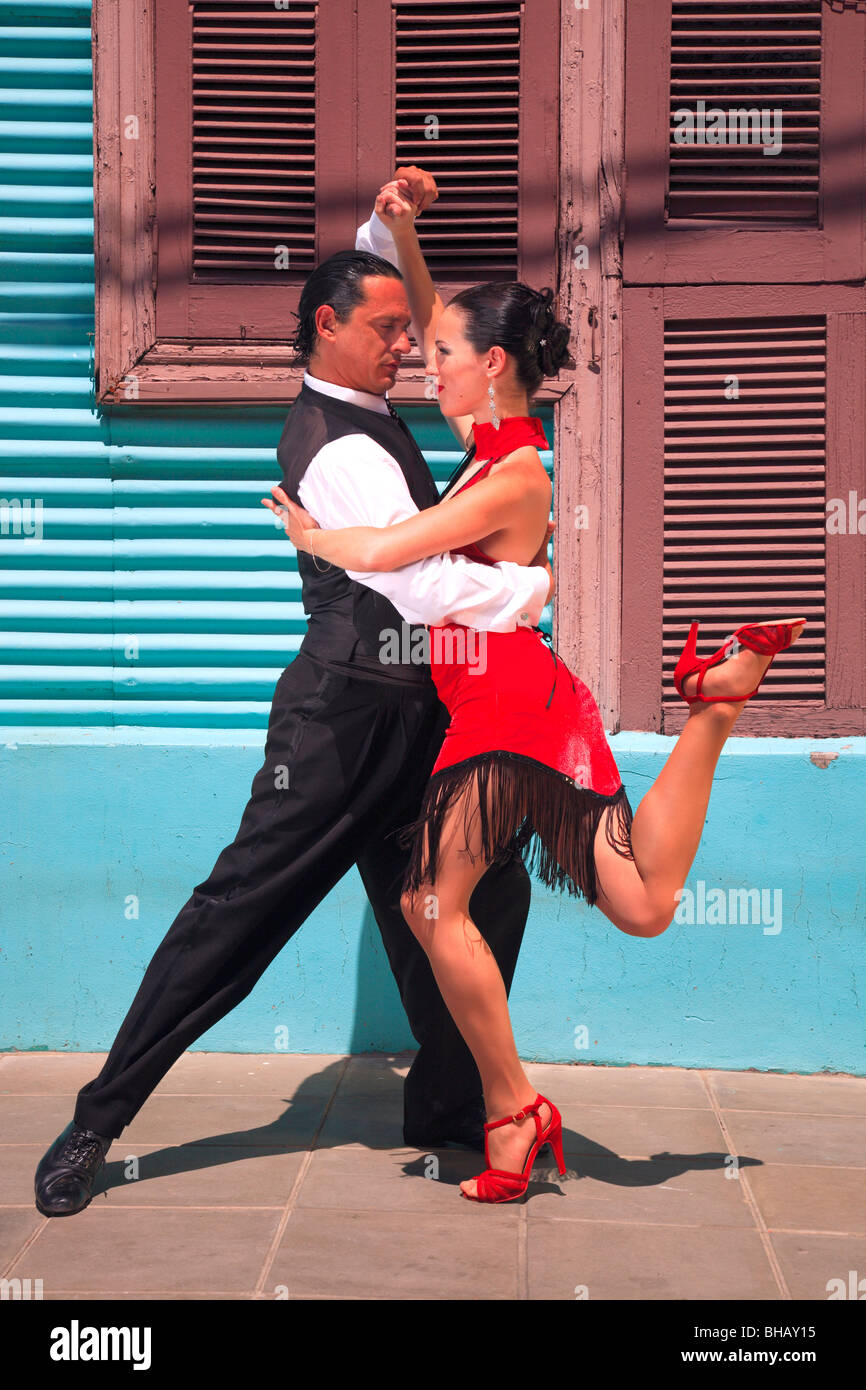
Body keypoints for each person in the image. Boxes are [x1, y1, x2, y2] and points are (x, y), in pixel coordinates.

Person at [270, 173, 807, 1204]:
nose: (421, 365)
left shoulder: (515, 474)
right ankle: (714, 709)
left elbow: (387, 547)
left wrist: (308, 536)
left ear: (493, 366)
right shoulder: (497, 444)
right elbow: (442, 320)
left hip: (505, 706)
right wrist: (403, 234)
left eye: (438, 360)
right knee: (642, 902)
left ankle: (512, 1109)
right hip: (535, 704)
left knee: (433, 900)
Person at [32, 167, 556, 1219]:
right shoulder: (327, 446)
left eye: (414, 333)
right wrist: (527, 586)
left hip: (418, 723)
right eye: (388, 332)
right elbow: (409, 579)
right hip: (339, 722)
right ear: (327, 329)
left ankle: (448, 1105)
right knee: (237, 919)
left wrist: (386, 222)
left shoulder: (363, 399)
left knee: (481, 896)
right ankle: (97, 1119)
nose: (407, 346)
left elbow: (373, 287)